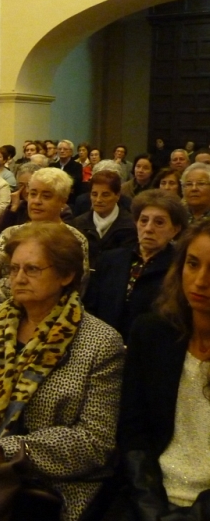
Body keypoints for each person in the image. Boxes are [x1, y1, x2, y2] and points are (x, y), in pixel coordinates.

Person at [0, 223, 125, 521]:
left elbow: (94, 442)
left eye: (32, 269)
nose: (18, 279)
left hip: (42, 487)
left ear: (66, 275)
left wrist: (2, 451)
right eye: (14, 269)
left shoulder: (99, 342)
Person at [118, 220, 210, 520]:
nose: (200, 281)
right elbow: (133, 431)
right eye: (192, 264)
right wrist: (150, 507)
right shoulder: (152, 332)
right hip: (149, 493)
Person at [84, 189, 187, 340]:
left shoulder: (179, 267)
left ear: (175, 229)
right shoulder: (110, 259)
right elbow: (90, 307)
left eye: (159, 222)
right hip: (102, 344)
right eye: (143, 220)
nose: (148, 228)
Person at [0, 167, 89, 305]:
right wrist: (10, 309)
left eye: (46, 196)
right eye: (33, 194)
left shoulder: (74, 239)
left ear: (62, 201)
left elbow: (77, 288)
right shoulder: (11, 233)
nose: (36, 201)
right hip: (1, 312)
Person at [71, 170, 138, 269]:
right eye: (94, 194)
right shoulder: (78, 224)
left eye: (105, 195)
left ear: (117, 196)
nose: (98, 200)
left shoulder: (130, 225)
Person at [50, 139, 82, 205]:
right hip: (53, 197)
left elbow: (75, 182)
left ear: (71, 152)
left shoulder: (77, 166)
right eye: (60, 149)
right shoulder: (52, 166)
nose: (62, 151)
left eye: (65, 149)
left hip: (70, 199)